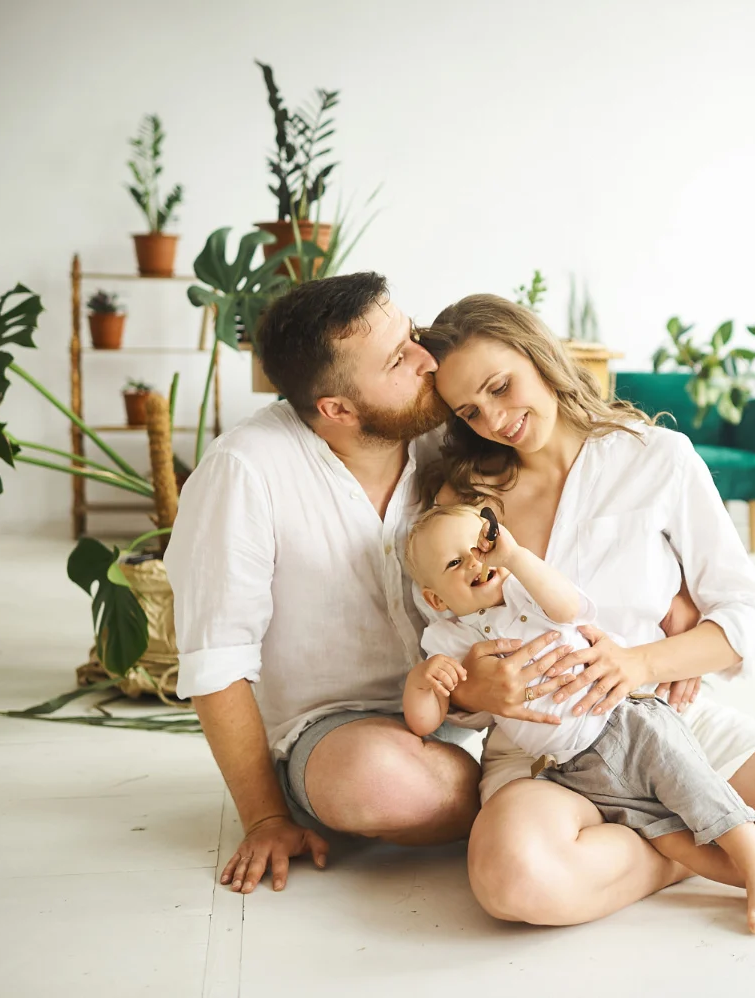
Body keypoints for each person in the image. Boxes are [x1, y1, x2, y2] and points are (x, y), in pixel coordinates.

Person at [421, 294, 755, 926]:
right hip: (543, 758)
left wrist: (640, 662)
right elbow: (443, 642)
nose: (495, 418)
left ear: (538, 354)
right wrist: (473, 691)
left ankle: (698, 839)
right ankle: (724, 845)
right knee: (517, 884)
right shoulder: (463, 501)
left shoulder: (657, 458)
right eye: (471, 410)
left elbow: (749, 613)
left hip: (662, 725)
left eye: (501, 387)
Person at [165, 273, 585, 894]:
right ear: (337, 408)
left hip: (482, 711)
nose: (427, 359)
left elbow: (567, 480)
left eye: (412, 336)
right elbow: (215, 661)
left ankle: (566, 801)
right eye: (398, 359)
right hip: (337, 731)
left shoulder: (451, 431)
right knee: (379, 779)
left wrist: (679, 596)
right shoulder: (244, 471)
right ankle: (589, 803)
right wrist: (264, 818)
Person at [403, 504, 755, 933]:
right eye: (454, 562)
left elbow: (569, 606)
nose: (473, 562)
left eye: (477, 548)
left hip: (623, 720)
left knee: (695, 789)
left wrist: (516, 557)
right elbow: (425, 722)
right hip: (572, 766)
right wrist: (421, 682)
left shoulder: (526, 590)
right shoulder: (445, 640)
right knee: (667, 836)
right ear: (436, 599)